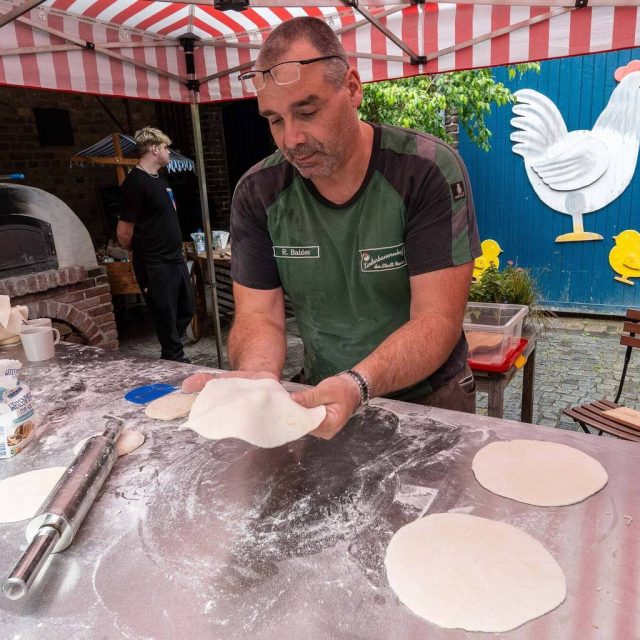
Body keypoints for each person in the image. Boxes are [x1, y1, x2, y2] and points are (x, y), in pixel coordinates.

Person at [185, 17, 481, 437]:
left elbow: (436, 320)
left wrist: (358, 383)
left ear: (353, 88)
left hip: (429, 399)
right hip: (323, 394)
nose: (291, 139)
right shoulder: (259, 192)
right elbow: (258, 316)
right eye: (275, 120)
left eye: (307, 112)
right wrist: (258, 374)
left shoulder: (425, 171)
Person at [117, 126, 195, 363]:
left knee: (187, 308)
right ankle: (175, 359)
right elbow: (124, 232)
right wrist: (144, 251)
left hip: (174, 258)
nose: (169, 151)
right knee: (166, 316)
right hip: (154, 263)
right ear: (153, 149)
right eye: (165, 147)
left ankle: (169, 355)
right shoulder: (134, 183)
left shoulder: (160, 178)